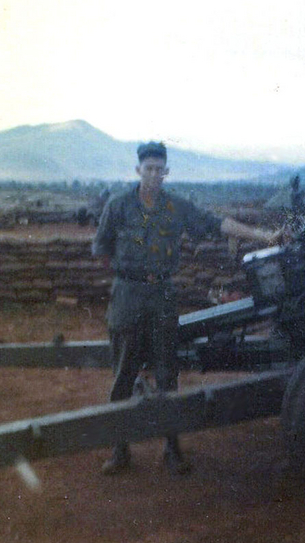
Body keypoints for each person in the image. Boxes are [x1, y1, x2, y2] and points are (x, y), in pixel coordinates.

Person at [92, 141, 280, 475]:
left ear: (166, 172)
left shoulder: (176, 207)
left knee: (168, 375)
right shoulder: (118, 205)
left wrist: (262, 235)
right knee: (123, 375)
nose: (153, 174)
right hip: (128, 296)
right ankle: (119, 450)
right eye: (147, 168)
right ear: (138, 170)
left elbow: (215, 223)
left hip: (162, 296)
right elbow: (102, 249)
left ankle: (172, 449)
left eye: (158, 169)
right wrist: (129, 278)